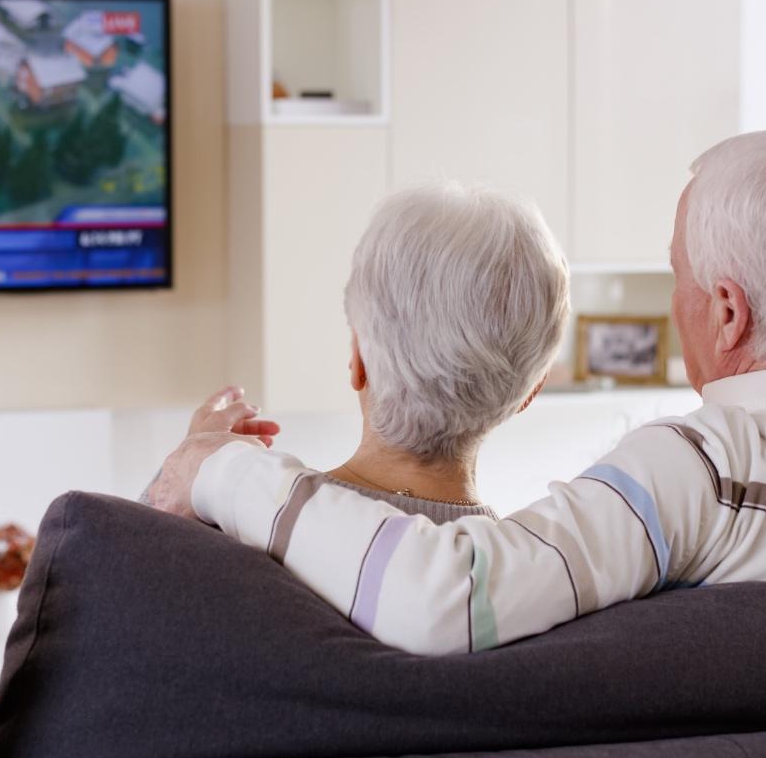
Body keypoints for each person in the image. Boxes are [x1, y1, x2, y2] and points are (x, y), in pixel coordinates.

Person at [144, 126, 766, 656]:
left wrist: (216, 468)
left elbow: (450, 598)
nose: (674, 300)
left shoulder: (705, 472)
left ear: (727, 313)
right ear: (528, 391)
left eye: (678, 276)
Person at [173, 182, 569, 527]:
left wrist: (187, 473)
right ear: (530, 391)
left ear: (359, 362)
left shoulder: (239, 530)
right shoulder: (523, 585)